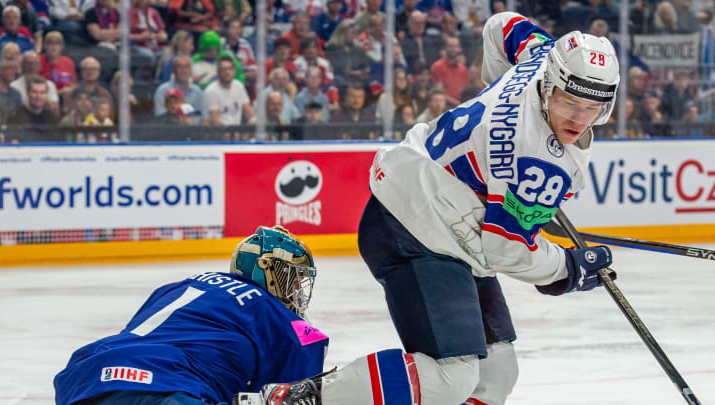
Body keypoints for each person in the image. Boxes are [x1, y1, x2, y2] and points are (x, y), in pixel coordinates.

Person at [261, 12, 618, 405]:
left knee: (496, 374)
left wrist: (501, 88)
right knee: (451, 379)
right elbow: (508, 249)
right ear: (550, 84)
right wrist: (569, 268)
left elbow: (502, 24)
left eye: (593, 108)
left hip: (444, 213)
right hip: (416, 225)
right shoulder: (537, 162)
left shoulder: (541, 54)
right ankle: (295, 399)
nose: (579, 119)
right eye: (570, 102)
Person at [54, 225, 327, 405]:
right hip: (169, 390)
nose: (295, 289)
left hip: (84, 378)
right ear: (268, 270)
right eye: (292, 278)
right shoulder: (277, 315)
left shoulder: (175, 287)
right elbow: (297, 393)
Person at [204, 54, 253, 126]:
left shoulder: (239, 86)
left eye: (230, 68)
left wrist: (255, 122)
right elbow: (215, 121)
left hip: (238, 132)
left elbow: (248, 111)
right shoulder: (211, 91)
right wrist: (233, 134)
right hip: (219, 134)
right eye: (223, 69)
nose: (227, 72)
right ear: (218, 71)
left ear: (234, 71)